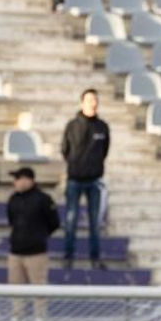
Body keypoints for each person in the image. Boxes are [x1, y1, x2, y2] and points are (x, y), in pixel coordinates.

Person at [60, 88, 110, 272]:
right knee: (71, 220)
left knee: (95, 222)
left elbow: (104, 151)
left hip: (94, 181)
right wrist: (76, 167)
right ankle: (68, 257)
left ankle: (95, 258)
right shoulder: (72, 125)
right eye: (89, 100)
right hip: (74, 180)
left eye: (95, 99)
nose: (92, 103)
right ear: (82, 103)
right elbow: (65, 149)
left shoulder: (102, 127)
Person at [5, 167, 61, 319]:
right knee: (15, 287)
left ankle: (40, 317)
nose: (15, 182)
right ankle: (17, 316)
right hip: (16, 251)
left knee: (39, 287)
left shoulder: (43, 199)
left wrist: (39, 236)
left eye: (18, 178)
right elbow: (11, 220)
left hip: (36, 253)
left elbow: (54, 222)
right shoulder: (13, 199)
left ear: (27, 180)